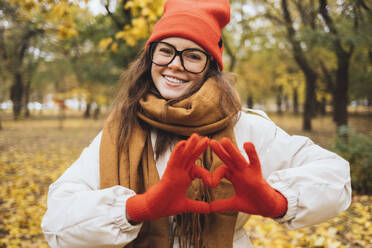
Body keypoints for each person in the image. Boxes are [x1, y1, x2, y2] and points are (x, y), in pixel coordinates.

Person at [41, 0, 352, 247]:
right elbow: (56, 222)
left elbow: (335, 177)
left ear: (210, 67)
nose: (175, 64)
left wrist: (276, 201)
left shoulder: (245, 128)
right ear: (150, 57)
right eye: (165, 51)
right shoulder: (119, 130)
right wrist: (139, 208)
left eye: (192, 55)